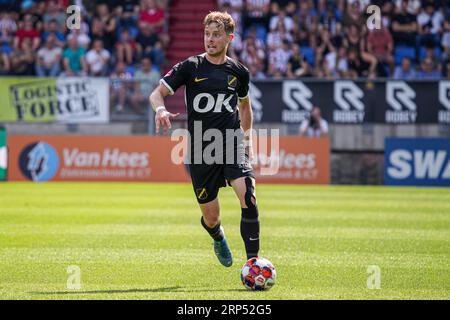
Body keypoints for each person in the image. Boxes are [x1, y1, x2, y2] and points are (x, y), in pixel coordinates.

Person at [149, 12, 259, 267]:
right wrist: (161, 109)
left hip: (231, 142)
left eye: (216, 35)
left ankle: (253, 263)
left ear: (229, 38)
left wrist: (247, 139)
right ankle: (217, 236)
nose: (210, 39)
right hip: (201, 149)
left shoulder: (239, 72)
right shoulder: (191, 67)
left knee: (249, 196)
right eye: (207, 34)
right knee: (211, 217)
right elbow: (157, 94)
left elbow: (245, 106)